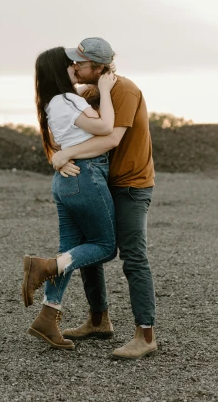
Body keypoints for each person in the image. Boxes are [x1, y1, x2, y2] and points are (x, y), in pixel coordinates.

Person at [52, 37, 158, 359]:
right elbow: (63, 132)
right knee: (91, 245)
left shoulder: (123, 90)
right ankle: (98, 321)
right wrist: (60, 154)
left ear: (98, 67)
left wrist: (67, 153)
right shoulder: (88, 93)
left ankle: (146, 335)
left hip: (130, 184)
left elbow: (111, 139)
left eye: (80, 63)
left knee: (133, 255)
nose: (74, 67)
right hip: (100, 181)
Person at [22, 46, 118, 349]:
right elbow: (105, 129)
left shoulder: (52, 103)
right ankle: (45, 266)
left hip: (66, 180)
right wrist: (104, 88)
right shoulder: (68, 99)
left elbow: (65, 142)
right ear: (59, 70)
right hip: (85, 177)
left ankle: (48, 318)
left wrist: (64, 156)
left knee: (68, 252)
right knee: (105, 246)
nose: (77, 67)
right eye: (71, 64)